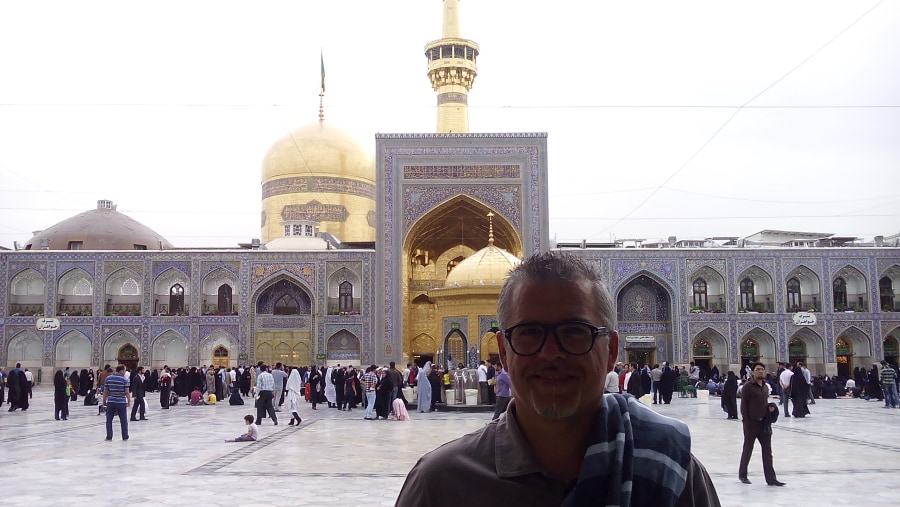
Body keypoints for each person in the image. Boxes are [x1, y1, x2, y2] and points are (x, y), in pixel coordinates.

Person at [395, 252, 719, 506]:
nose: (551, 353)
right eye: (529, 333)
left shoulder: (672, 472)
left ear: (611, 351)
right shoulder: (442, 485)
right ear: (504, 353)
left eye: (575, 332)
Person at [738, 362, 785, 486]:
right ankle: (743, 475)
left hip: (764, 423)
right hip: (751, 423)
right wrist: (746, 422)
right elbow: (744, 406)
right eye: (758, 369)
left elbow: (764, 402)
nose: (760, 371)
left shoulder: (765, 387)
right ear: (753, 372)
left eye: (762, 369)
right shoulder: (748, 386)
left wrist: (770, 409)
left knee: (767, 452)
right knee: (748, 449)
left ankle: (771, 479)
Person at [102, 365, 131, 441]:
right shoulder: (124, 380)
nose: (125, 372)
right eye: (124, 370)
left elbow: (105, 391)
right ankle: (125, 436)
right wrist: (129, 401)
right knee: (123, 420)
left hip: (111, 401)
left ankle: (109, 436)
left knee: (109, 420)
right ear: (121, 371)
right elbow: (127, 392)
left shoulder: (108, 378)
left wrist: (104, 400)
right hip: (121, 402)